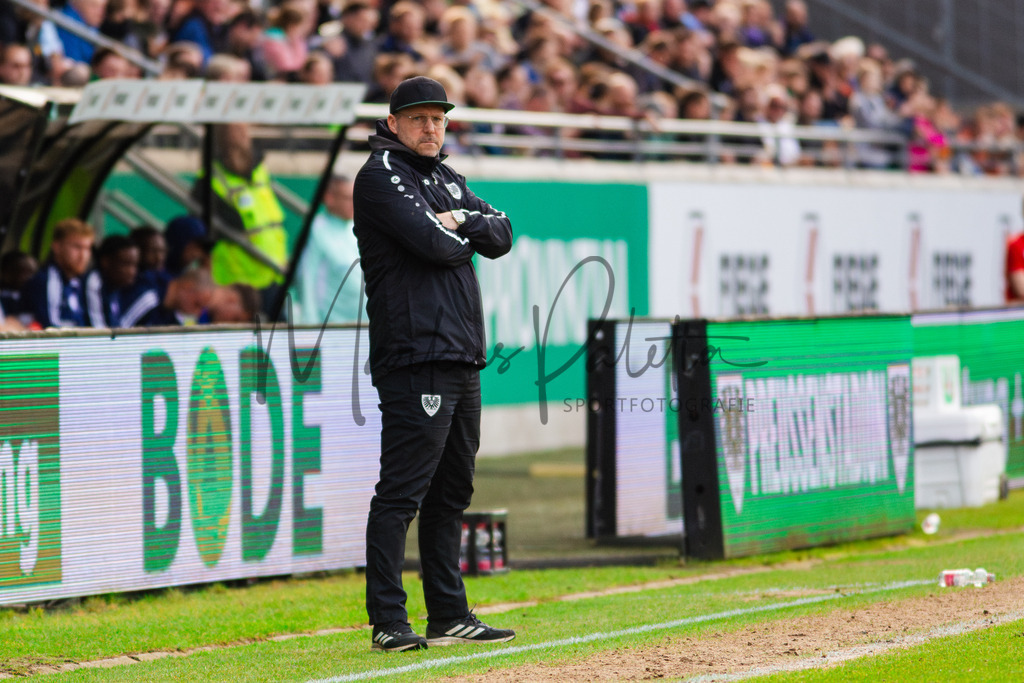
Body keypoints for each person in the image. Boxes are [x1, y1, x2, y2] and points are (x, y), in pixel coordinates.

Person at [354, 76, 515, 652]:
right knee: (402, 493)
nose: (430, 127)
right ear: (393, 123)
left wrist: (461, 221)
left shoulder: (447, 178)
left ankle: (448, 614)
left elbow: (502, 233)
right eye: (419, 118)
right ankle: (388, 620)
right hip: (415, 352)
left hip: (461, 354)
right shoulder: (381, 174)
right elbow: (435, 246)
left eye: (438, 119)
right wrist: (458, 230)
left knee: (452, 492)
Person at [292, 174, 362, 325]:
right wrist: (310, 326)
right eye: (347, 198)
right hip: (331, 329)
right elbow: (306, 280)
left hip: (365, 326)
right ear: (329, 198)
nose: (354, 203)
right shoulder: (316, 230)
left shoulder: (357, 228)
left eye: (355, 197)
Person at [21, 217, 95, 328]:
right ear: (57, 247)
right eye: (77, 247)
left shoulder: (80, 281)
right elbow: (51, 327)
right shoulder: (46, 280)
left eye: (87, 248)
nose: (83, 255)